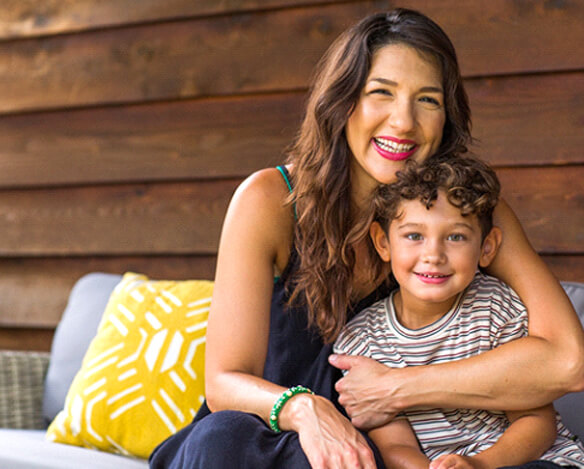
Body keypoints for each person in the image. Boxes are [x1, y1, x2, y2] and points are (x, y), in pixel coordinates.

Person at [149, 8, 584, 469]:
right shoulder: (270, 200)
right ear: (343, 102)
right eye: (381, 93)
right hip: (275, 434)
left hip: (390, 452)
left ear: (446, 118)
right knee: (221, 438)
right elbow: (224, 382)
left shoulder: (467, 214)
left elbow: (569, 361)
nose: (403, 122)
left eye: (428, 100)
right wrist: (305, 409)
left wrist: (399, 387)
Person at [334, 154, 584, 469]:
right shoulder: (363, 341)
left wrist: (477, 465)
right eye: (414, 236)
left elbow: (537, 422)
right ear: (383, 242)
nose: (433, 255)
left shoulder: (498, 309)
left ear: (487, 247)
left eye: (455, 237)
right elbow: (394, 444)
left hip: (531, 460)